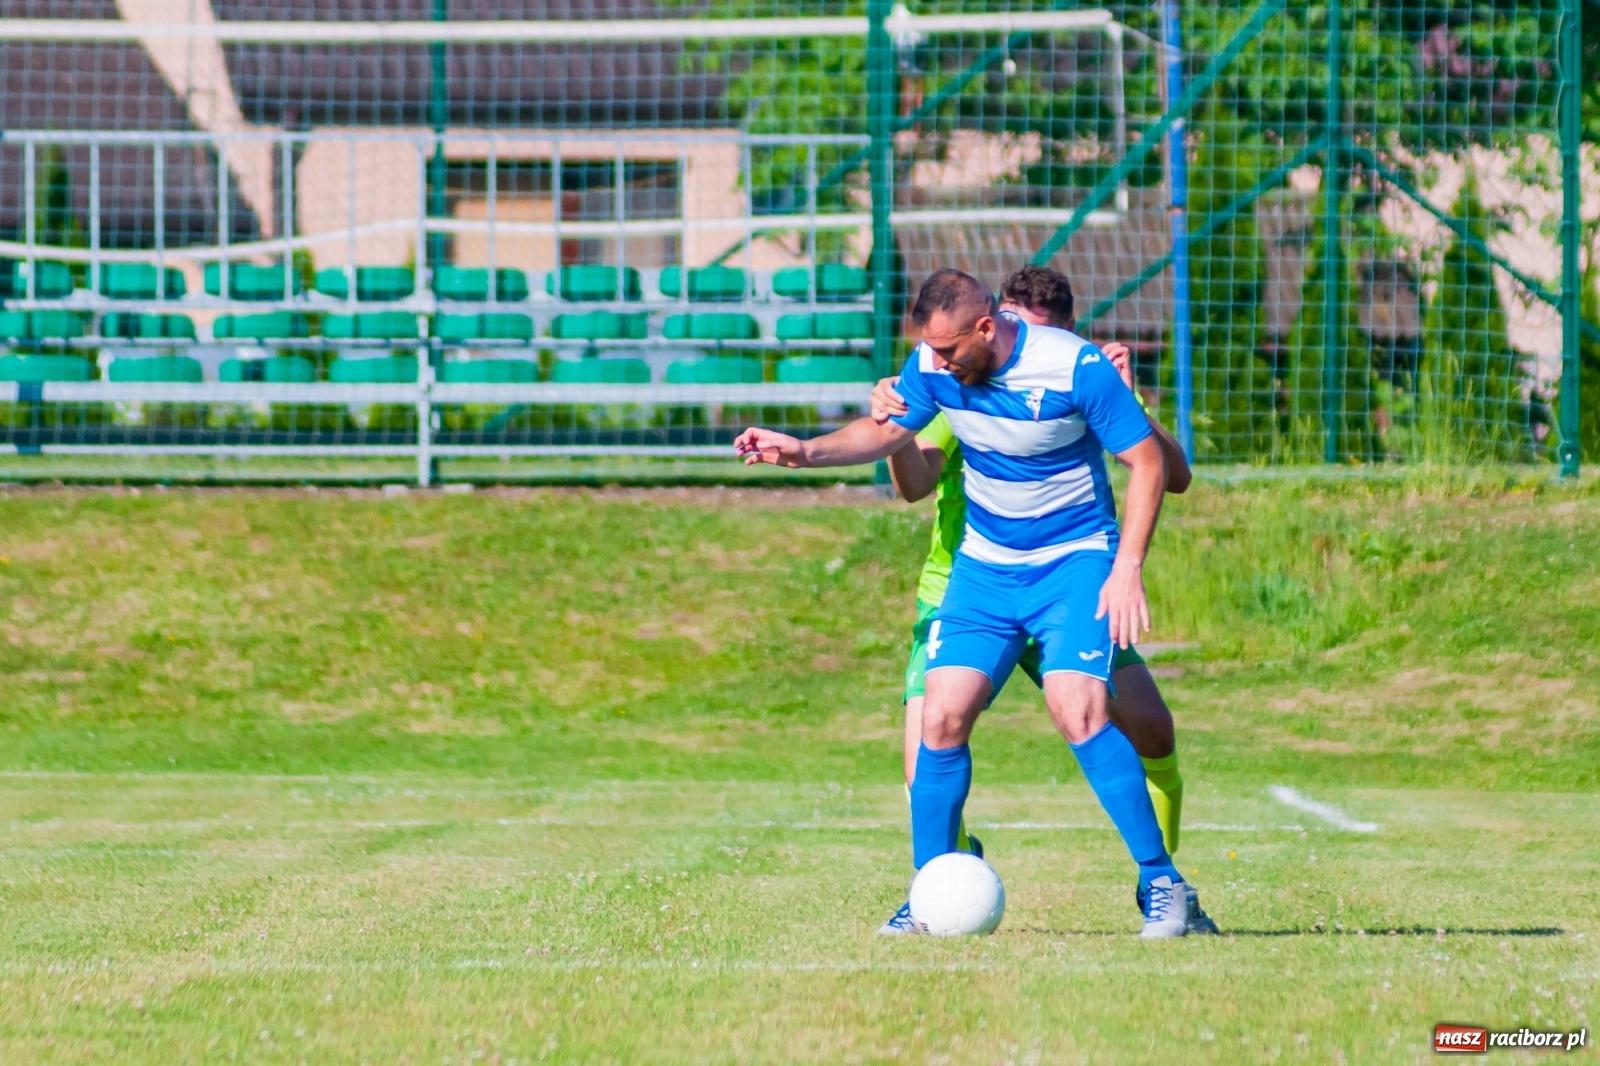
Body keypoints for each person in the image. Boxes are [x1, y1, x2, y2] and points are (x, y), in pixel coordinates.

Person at [735, 268, 1209, 938]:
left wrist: (1127, 565)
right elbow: (889, 433)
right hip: (983, 571)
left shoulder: (1073, 367)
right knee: (941, 716)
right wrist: (805, 449)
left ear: (986, 328)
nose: (943, 365)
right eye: (934, 353)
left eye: (954, 351)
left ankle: (1163, 884)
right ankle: (930, 893)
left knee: (1079, 707)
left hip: (1071, 566)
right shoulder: (935, 360)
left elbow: (1154, 465)